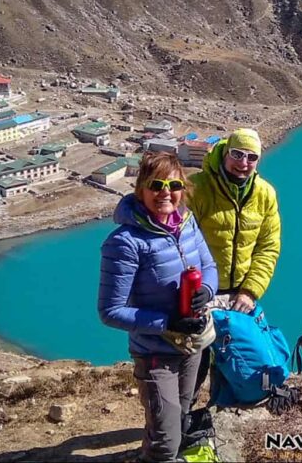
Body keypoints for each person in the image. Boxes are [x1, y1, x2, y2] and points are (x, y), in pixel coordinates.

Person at [98, 152, 218, 462]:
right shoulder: (125, 242)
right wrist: (167, 322)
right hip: (155, 352)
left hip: (192, 344)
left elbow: (209, 267)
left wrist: (206, 290)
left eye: (174, 184)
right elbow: (110, 311)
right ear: (141, 189)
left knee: (179, 419)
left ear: (183, 188)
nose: (166, 192)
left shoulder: (188, 224)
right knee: (166, 440)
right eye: (156, 185)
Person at [188, 128, 282, 315]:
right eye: (237, 154)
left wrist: (250, 291)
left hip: (241, 297)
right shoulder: (196, 188)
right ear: (225, 153)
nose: (243, 163)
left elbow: (268, 247)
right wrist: (199, 289)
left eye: (251, 157)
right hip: (199, 293)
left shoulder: (265, 194)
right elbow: (178, 244)